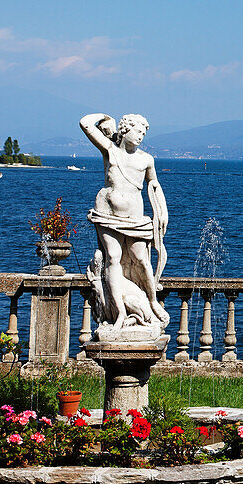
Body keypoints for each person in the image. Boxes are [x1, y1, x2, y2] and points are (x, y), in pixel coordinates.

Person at [81, 112, 170, 331]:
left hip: (135, 217)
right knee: (112, 257)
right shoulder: (110, 151)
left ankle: (151, 301)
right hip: (107, 213)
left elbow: (154, 186)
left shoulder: (146, 160)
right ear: (124, 130)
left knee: (141, 259)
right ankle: (119, 312)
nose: (141, 136)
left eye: (144, 133)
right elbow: (85, 123)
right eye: (138, 131)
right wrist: (104, 116)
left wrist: (162, 212)